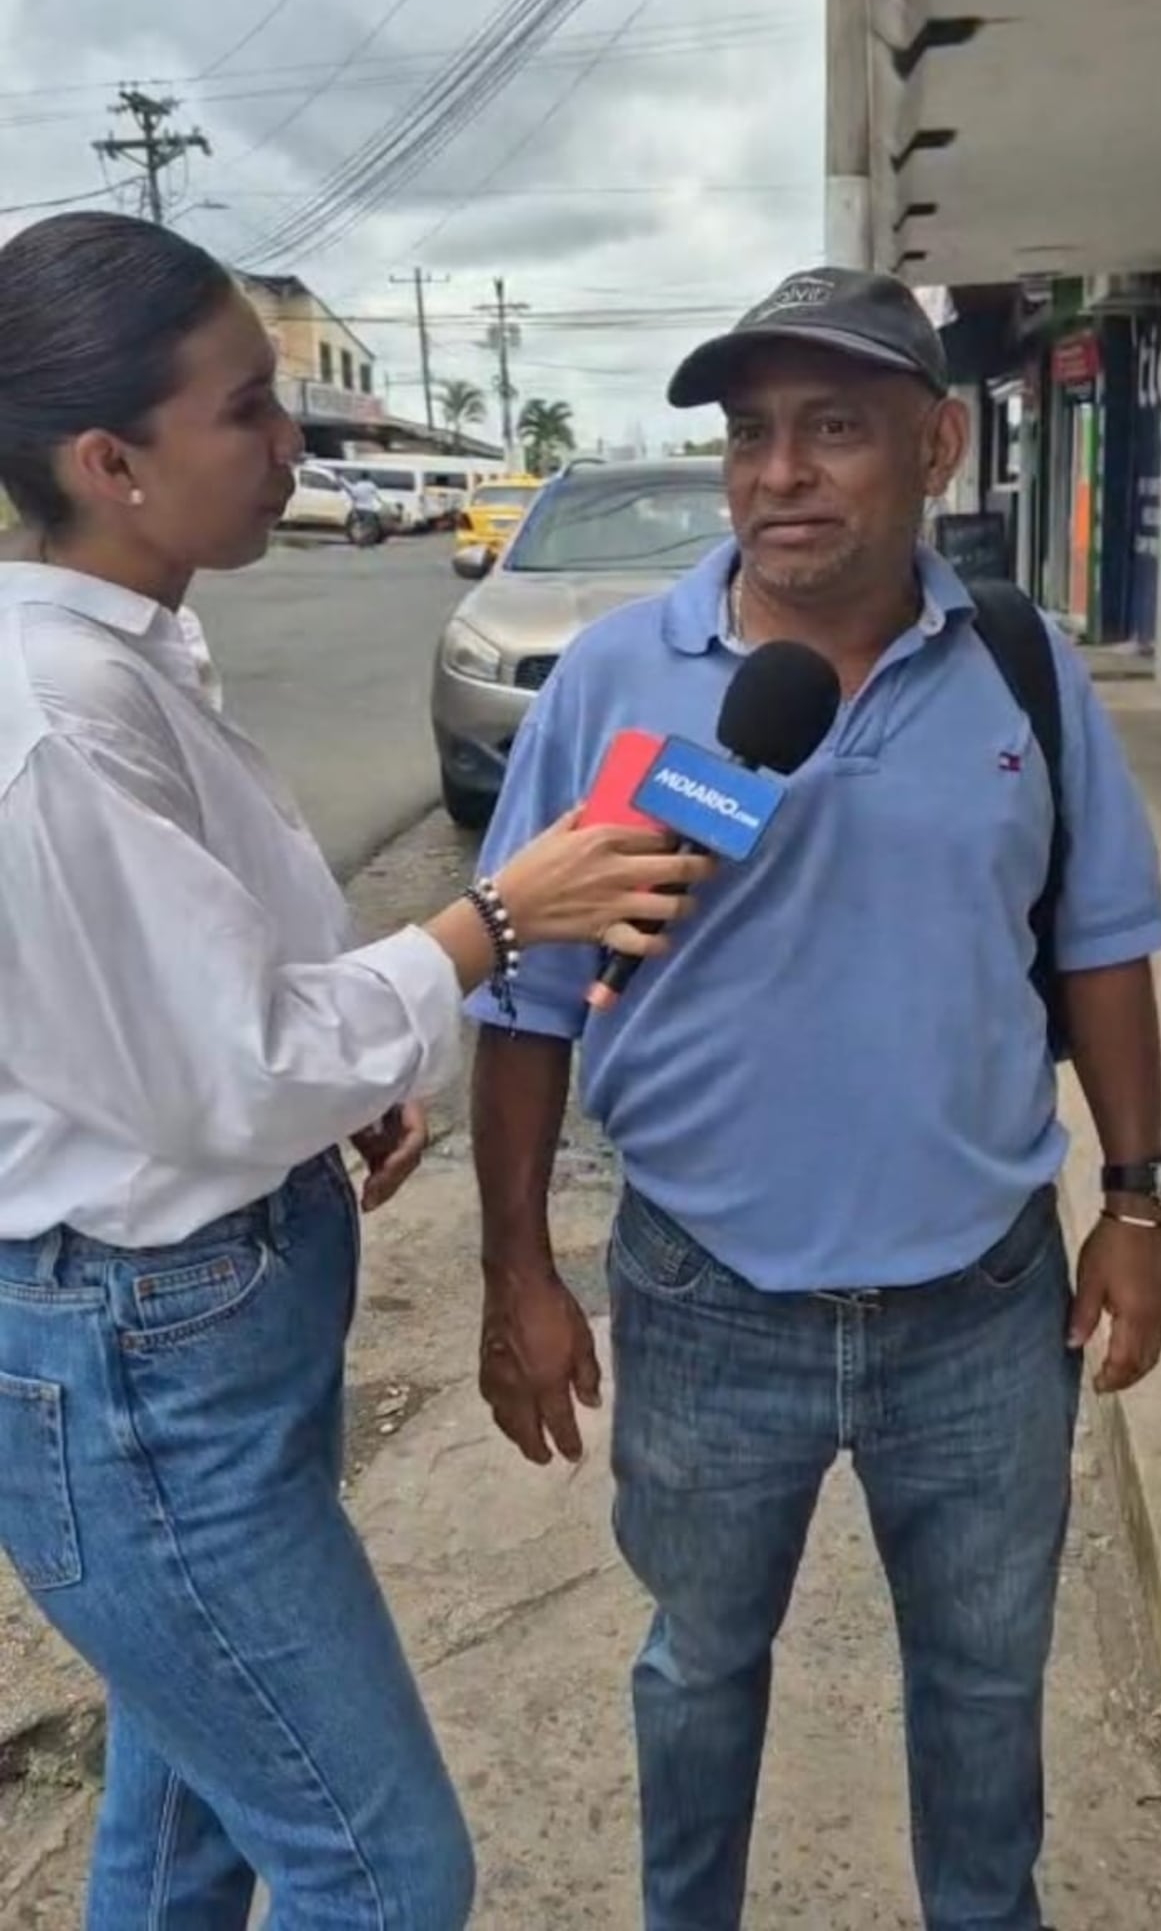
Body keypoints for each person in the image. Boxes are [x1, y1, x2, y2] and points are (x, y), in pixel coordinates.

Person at [0, 211, 709, 1931]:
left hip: (201, 1314)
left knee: (191, 1835)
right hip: (143, 1366)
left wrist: (345, 1075)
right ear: (112, 461)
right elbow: (220, 1074)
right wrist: (489, 919)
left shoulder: (131, 656)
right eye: (247, 409)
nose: (292, 443)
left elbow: (194, 1012)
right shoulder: (54, 718)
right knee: (380, 1868)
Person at [468, 267, 1161, 1931]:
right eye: (751, 434)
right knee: (699, 1670)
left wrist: (1135, 1207)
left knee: (989, 1688)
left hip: (984, 1304)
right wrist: (518, 1268)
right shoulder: (617, 679)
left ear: (937, 446)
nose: (778, 473)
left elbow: (1104, 949)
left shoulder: (1024, 667)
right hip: (707, 1297)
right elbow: (523, 1001)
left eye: (834, 430)